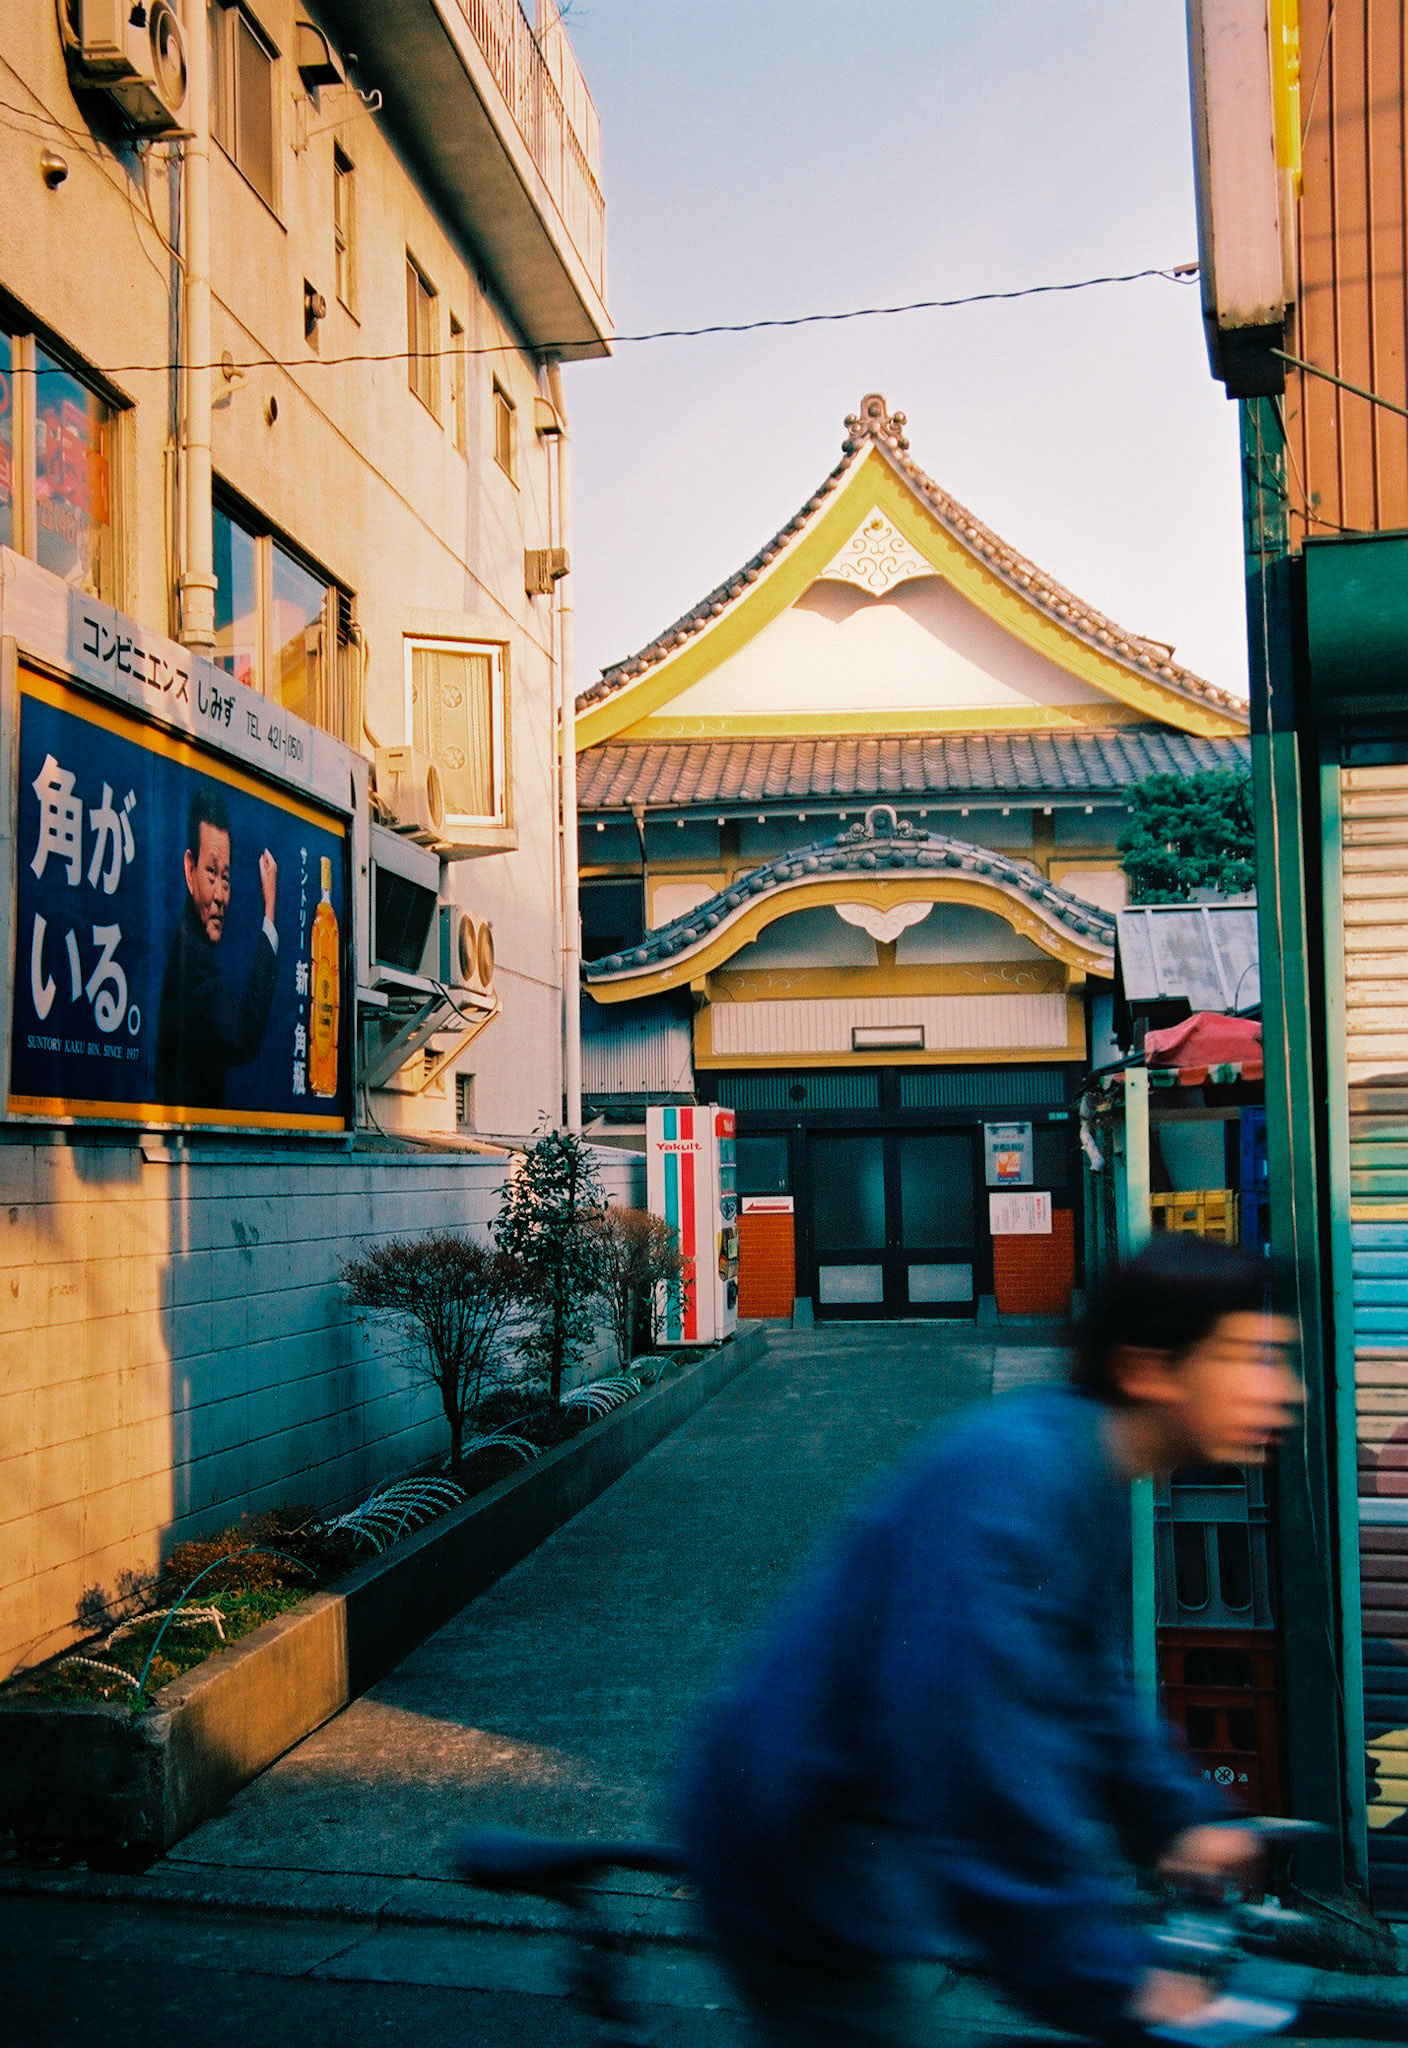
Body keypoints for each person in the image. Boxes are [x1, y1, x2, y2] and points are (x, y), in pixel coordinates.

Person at [678, 1237, 1304, 2046]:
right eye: (1251, 1358)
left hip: (855, 1833)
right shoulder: (1019, 1482)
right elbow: (981, 1764)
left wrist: (1174, 1819)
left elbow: (1089, 1684)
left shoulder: (1083, 1467)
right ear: (1149, 1369)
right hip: (792, 1843)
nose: (1284, 1390)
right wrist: (1109, 1978)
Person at [154, 785, 278, 1110]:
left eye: (226, 877)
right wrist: (269, 911)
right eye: (211, 873)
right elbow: (244, 1034)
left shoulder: (189, 946)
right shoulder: (193, 959)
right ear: (189, 869)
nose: (221, 895)